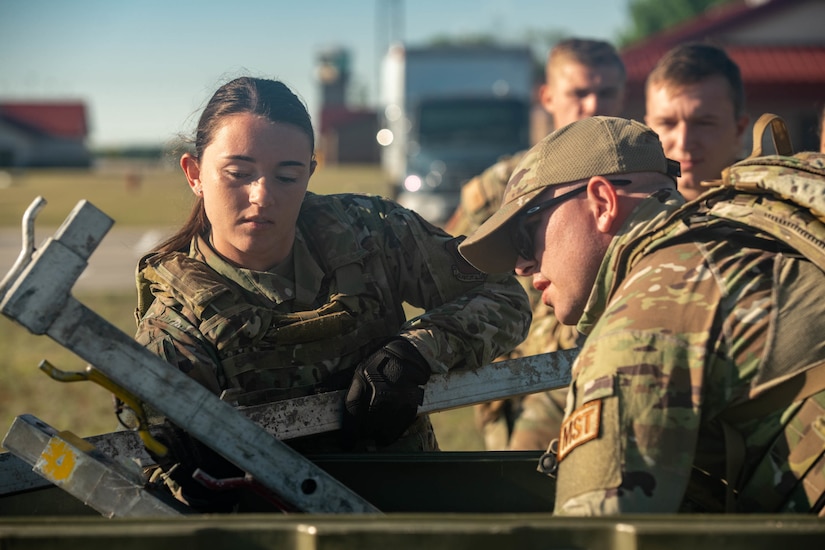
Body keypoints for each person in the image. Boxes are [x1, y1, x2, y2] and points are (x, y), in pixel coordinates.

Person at [131, 76, 531, 510]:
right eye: (238, 174)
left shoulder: (371, 233)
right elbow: (164, 496)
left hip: (411, 510)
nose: (261, 196)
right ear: (194, 174)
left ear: (310, 173)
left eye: (287, 176)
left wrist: (416, 353)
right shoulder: (174, 328)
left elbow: (504, 296)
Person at [458, 115, 825, 514]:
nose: (522, 266)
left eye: (525, 236)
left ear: (602, 203)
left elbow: (597, 537)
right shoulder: (749, 239)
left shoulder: (644, 318)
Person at [445, 38, 626, 451]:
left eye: (607, 92)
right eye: (579, 93)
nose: (593, 105)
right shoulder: (503, 189)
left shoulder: (647, 181)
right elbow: (453, 282)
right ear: (547, 97)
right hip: (527, 386)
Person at [644, 43, 749, 201]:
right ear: (646, 130)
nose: (683, 142)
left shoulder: (784, 214)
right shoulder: (616, 216)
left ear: (739, 130)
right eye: (667, 123)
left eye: (703, 123)